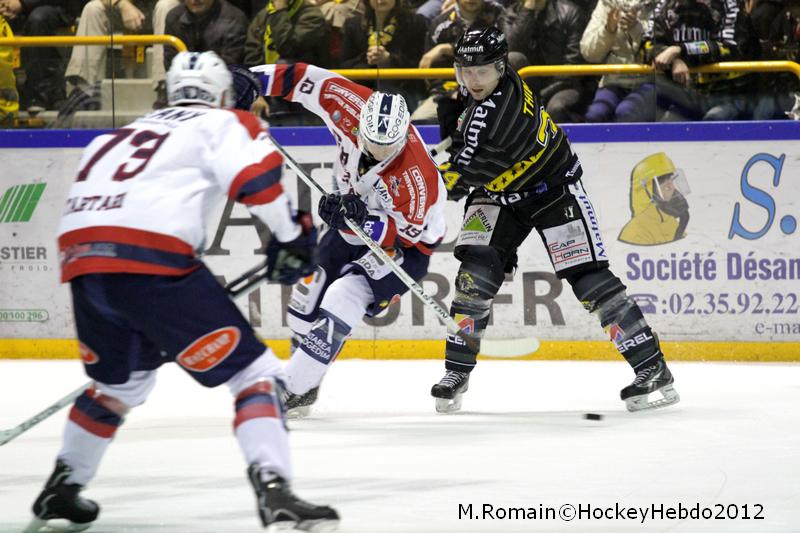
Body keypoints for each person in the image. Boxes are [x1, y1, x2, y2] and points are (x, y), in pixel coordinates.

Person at [26, 51, 339, 533]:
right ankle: (275, 489)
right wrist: (293, 237)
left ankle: (63, 487)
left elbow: (90, 209)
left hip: (85, 264)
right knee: (255, 374)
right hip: (152, 262)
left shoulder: (117, 135)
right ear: (223, 94)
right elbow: (256, 180)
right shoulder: (224, 121)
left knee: (119, 386)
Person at [431, 26, 680, 413]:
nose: (474, 80)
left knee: (590, 281)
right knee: (474, 277)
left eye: (482, 71)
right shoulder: (492, 83)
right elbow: (466, 142)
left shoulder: (499, 118)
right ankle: (456, 372)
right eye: (466, 71)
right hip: (499, 193)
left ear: (500, 68)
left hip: (552, 191)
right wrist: (453, 117)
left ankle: (652, 367)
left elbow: (458, 180)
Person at [246, 62, 447, 415]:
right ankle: (307, 385)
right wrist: (243, 82)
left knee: (343, 295)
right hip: (350, 227)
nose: (376, 152)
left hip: (405, 249)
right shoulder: (350, 104)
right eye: (371, 142)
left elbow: (405, 234)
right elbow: (302, 78)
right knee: (303, 308)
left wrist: (361, 219)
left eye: (387, 147)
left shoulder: (417, 179)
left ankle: (293, 387)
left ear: (404, 135)